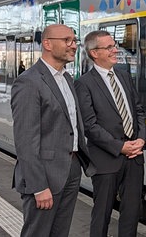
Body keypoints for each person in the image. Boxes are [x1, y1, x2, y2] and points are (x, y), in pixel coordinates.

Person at [10, 24, 96, 237]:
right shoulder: (29, 82)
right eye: (67, 40)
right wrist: (39, 187)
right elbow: (26, 141)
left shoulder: (66, 79)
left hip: (70, 169)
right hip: (45, 175)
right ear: (47, 44)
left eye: (74, 41)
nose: (74, 46)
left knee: (60, 233)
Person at [75, 30, 146, 237]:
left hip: (134, 157)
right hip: (106, 159)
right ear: (94, 53)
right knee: (102, 213)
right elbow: (89, 125)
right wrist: (119, 146)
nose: (116, 50)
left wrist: (140, 140)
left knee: (132, 213)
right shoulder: (84, 83)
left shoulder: (124, 76)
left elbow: (139, 110)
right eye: (109, 47)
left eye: (114, 45)